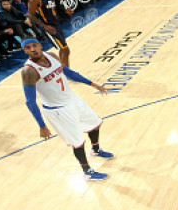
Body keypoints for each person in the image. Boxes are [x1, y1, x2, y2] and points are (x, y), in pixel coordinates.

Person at [20, 38, 113, 181]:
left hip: (72, 99)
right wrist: (42, 126)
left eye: (34, 46)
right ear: (24, 51)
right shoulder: (29, 71)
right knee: (78, 141)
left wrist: (92, 84)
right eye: (28, 48)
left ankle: (96, 150)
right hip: (58, 109)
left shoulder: (52, 55)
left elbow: (69, 72)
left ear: (40, 45)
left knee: (95, 123)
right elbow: (30, 102)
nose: (32, 49)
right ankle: (87, 171)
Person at [28, 0, 74, 67]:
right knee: (65, 49)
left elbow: (55, 7)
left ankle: (63, 70)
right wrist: (45, 26)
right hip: (48, 27)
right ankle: (68, 72)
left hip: (56, 24)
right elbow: (30, 15)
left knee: (63, 48)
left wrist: (65, 11)